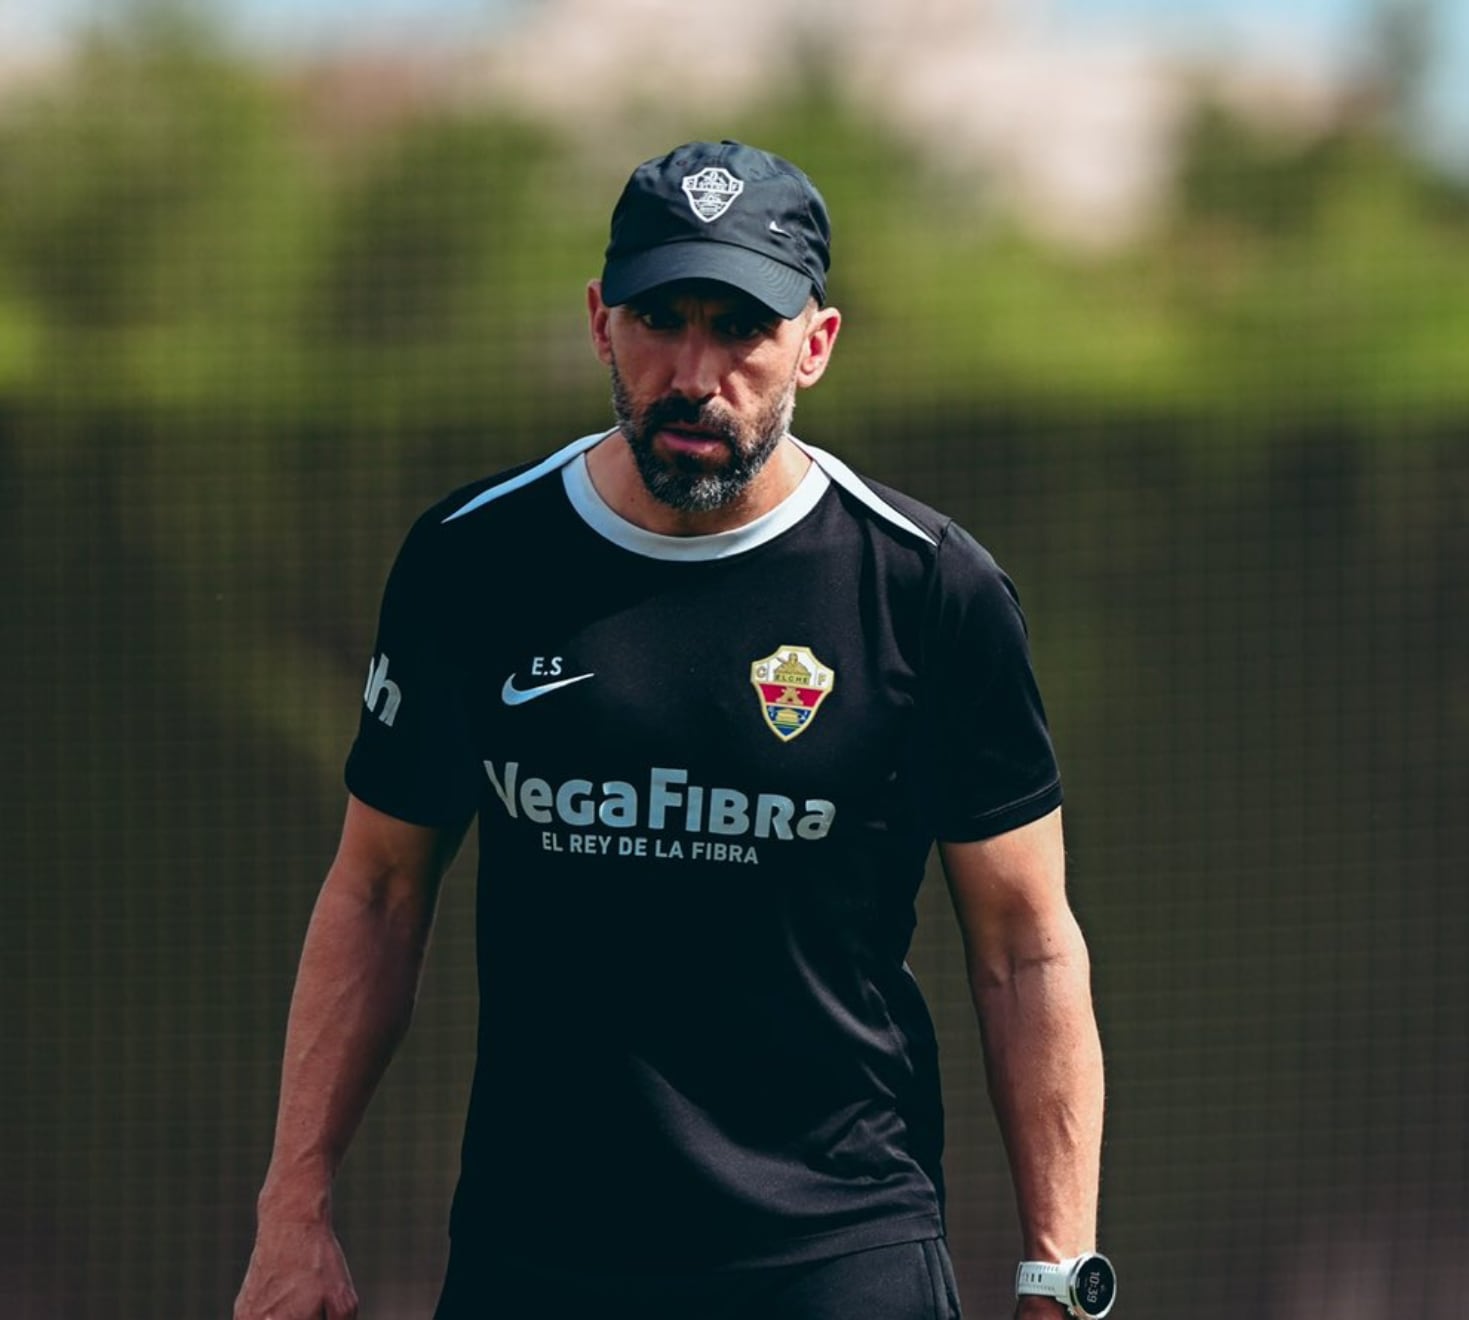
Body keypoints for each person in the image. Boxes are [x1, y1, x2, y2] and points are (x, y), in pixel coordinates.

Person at [233, 140, 1111, 1320]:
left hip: (838, 1259)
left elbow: (1026, 945)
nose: (694, 374)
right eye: (661, 319)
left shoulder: (927, 588)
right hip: (536, 1260)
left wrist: (1062, 1269)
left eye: (741, 328)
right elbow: (378, 893)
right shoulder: (473, 560)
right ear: (601, 321)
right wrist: (292, 1209)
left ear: (815, 344)